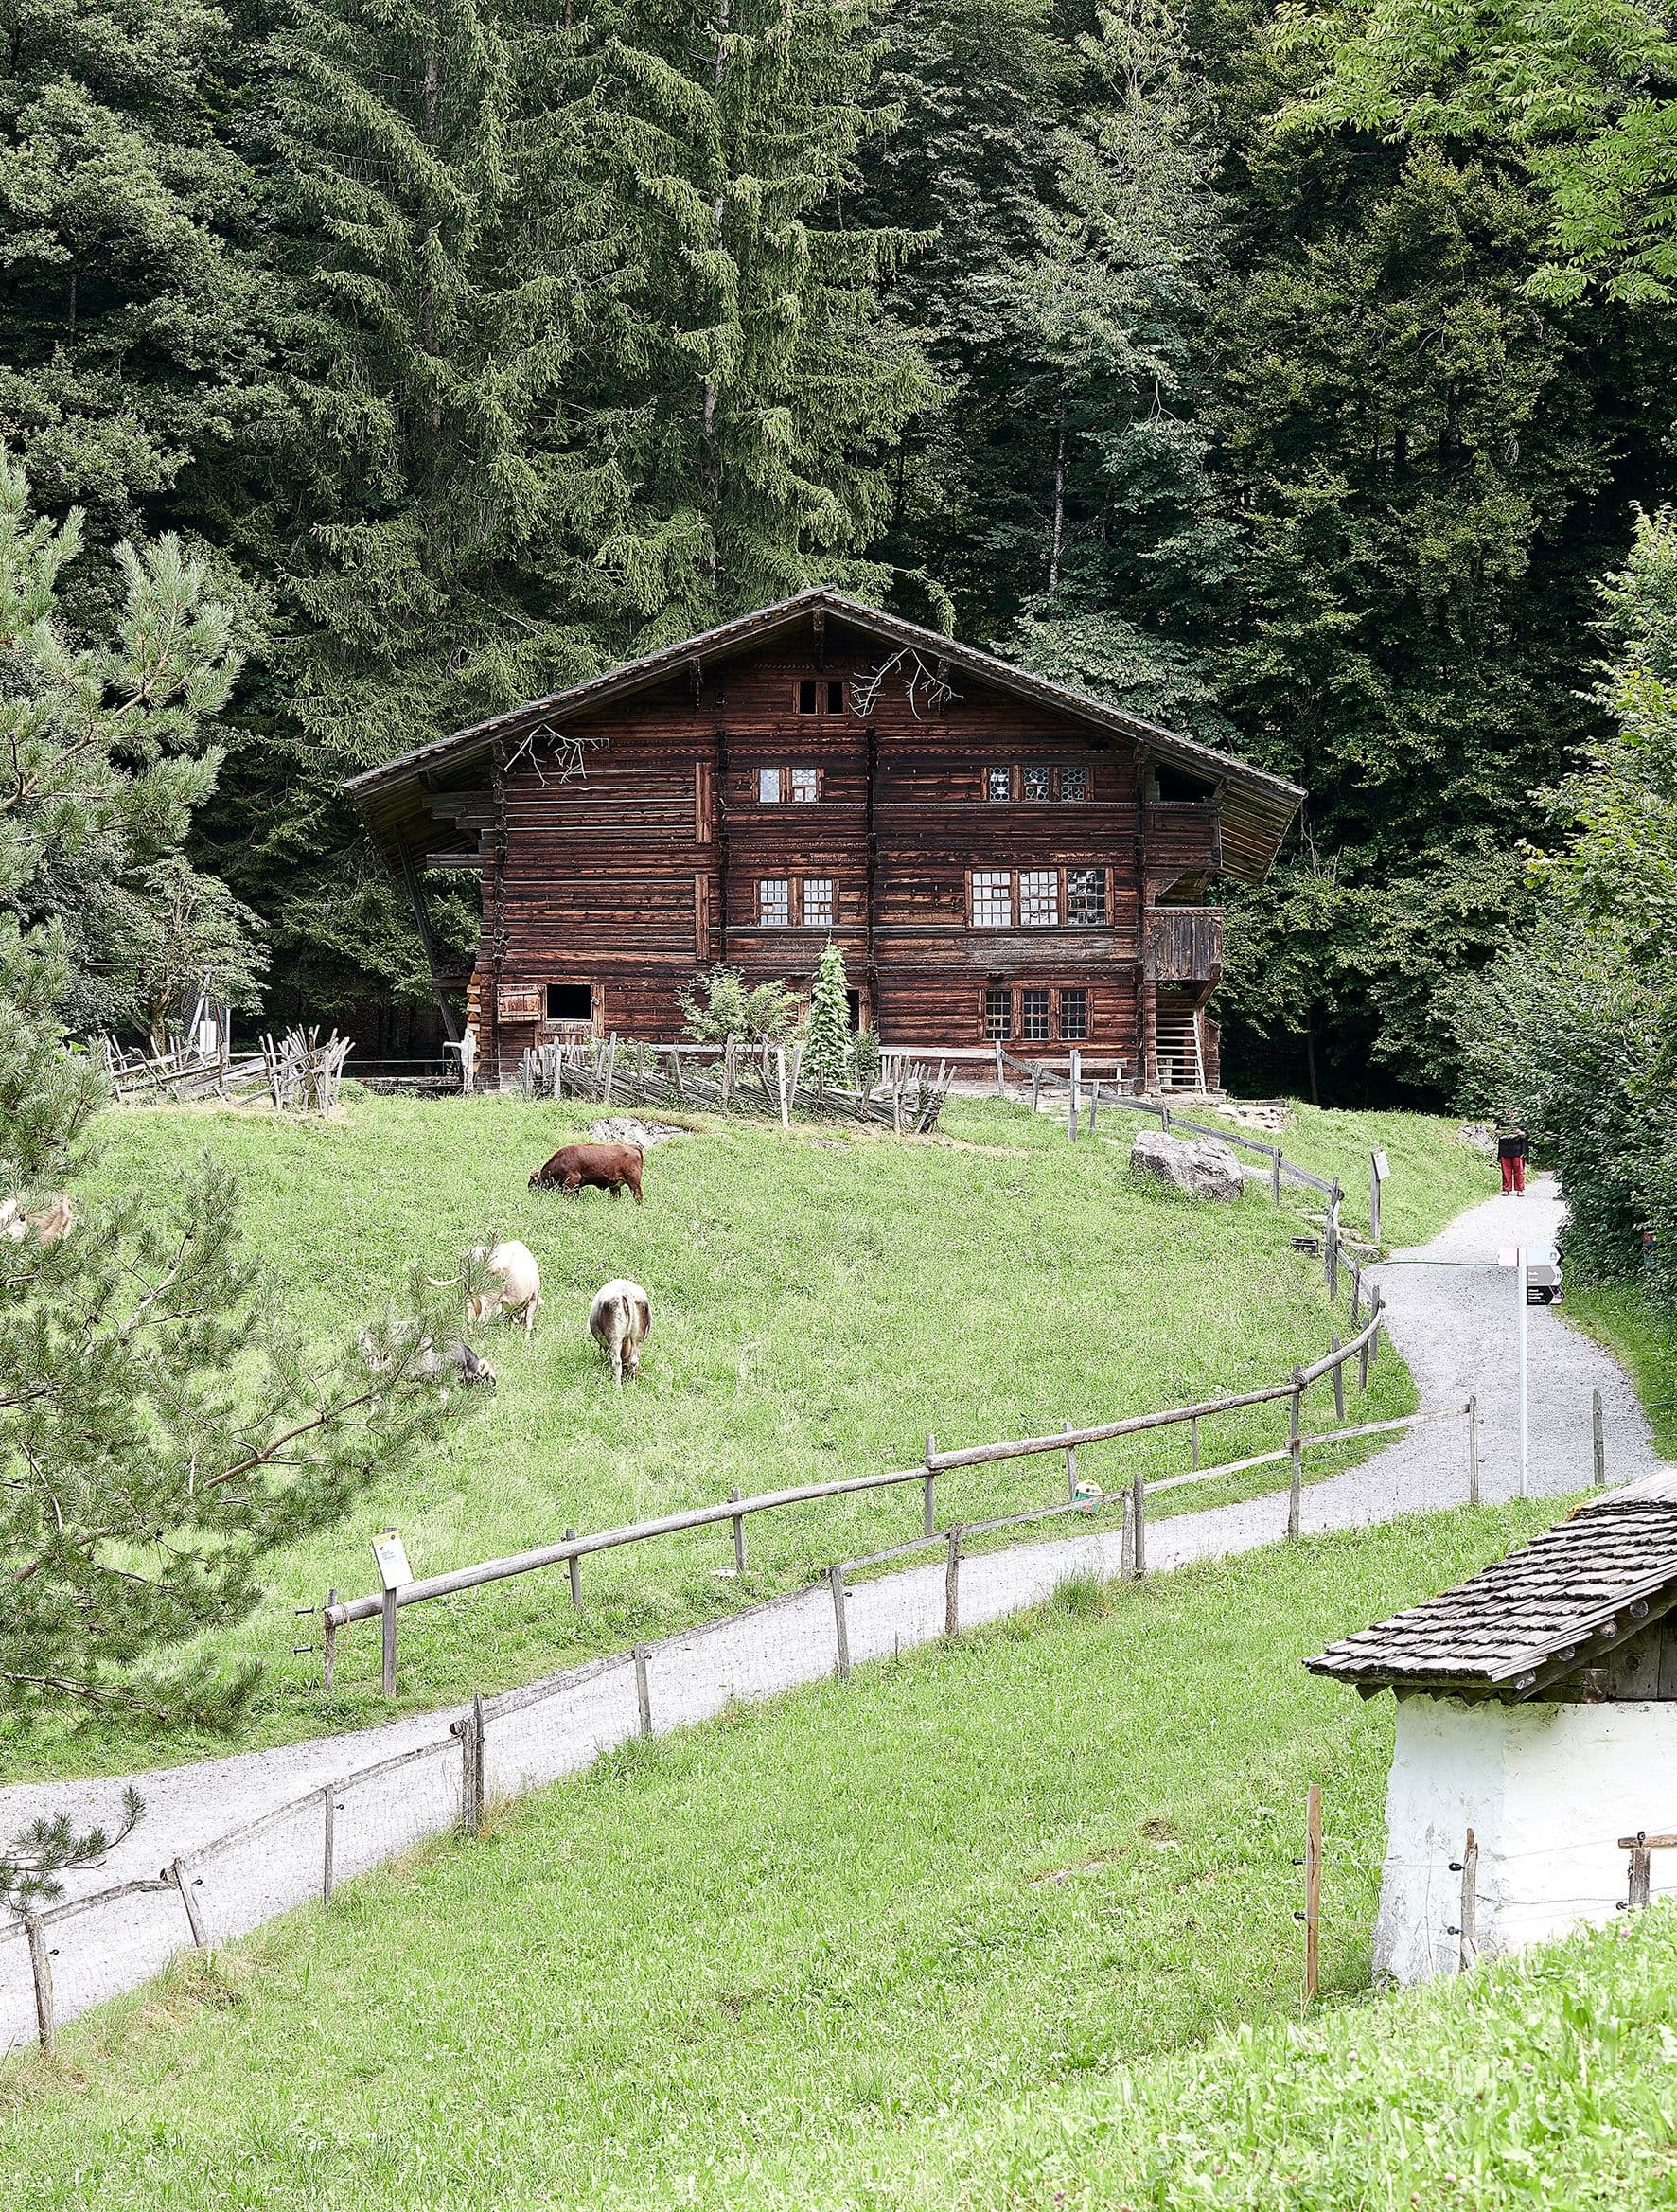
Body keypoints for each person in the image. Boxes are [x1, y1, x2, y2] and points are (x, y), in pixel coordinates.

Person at [1497, 1122, 1528, 1195]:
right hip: (1504, 1149)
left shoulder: (1521, 1121)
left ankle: (1520, 1189)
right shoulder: (1502, 1120)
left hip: (1518, 1150)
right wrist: (1498, 1132)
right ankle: (1506, 1189)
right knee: (1505, 1171)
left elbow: (1528, 1134)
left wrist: (1520, 1133)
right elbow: (1497, 1130)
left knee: (1519, 1171)